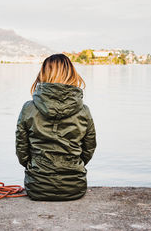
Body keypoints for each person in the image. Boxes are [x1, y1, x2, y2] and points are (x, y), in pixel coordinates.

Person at [15, 53, 97, 201]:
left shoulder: (29, 108)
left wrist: (36, 167)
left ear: (43, 74)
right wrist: (73, 165)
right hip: (74, 187)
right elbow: (89, 149)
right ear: (72, 74)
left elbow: (22, 151)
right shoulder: (84, 111)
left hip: (37, 187)